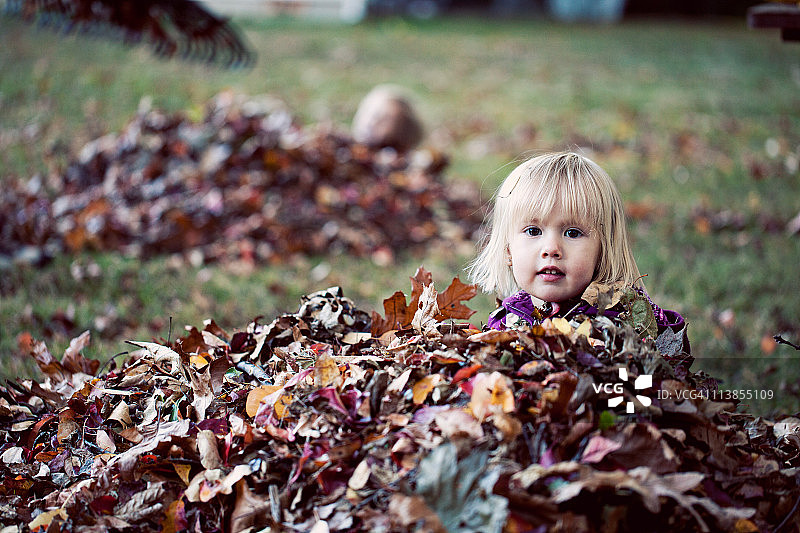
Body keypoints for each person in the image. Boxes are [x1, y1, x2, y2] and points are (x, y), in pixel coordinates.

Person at [468, 151, 690, 359]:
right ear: (508, 251)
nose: (551, 248)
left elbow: (669, 362)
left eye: (572, 233)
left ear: (603, 250)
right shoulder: (507, 320)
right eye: (533, 231)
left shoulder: (620, 321)